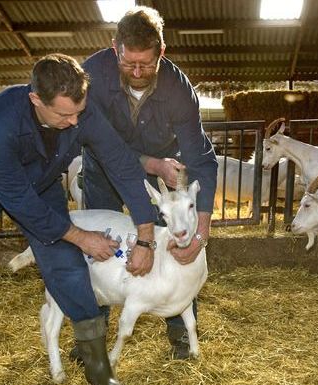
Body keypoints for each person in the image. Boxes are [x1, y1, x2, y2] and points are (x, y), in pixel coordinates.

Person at [0, 54, 158, 385]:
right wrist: (80, 236)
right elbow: (18, 199)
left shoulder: (80, 111)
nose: (75, 120)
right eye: (64, 115)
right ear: (36, 99)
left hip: (42, 180)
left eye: (78, 112)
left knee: (67, 266)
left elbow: (121, 163)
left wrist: (146, 233)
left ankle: (96, 364)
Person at [81, 6, 217, 360]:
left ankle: (182, 336)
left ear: (162, 53)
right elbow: (102, 144)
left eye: (147, 64)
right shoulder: (90, 77)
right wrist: (151, 162)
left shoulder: (178, 87)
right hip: (105, 172)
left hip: (162, 177)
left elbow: (201, 159)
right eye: (129, 64)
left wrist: (200, 233)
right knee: (99, 248)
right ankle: (92, 337)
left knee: (176, 241)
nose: (138, 73)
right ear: (116, 49)